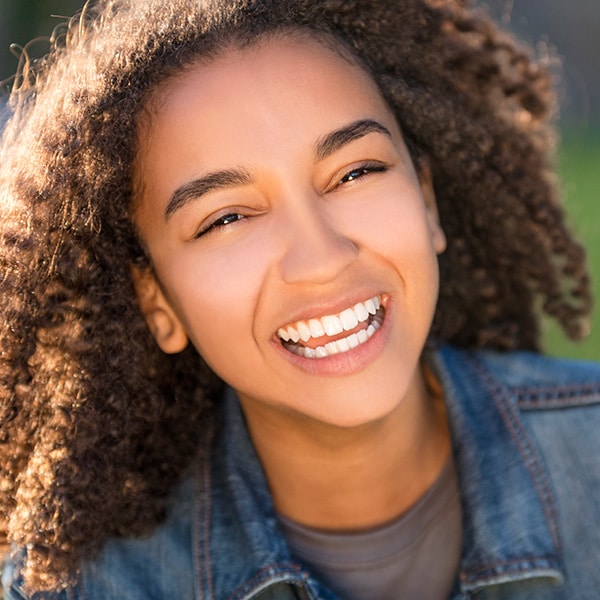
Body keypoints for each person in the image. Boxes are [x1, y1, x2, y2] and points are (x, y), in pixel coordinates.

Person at [1, 0, 599, 598]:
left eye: (355, 172)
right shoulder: (89, 586)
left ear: (427, 201)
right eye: (228, 217)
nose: (322, 258)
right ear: (156, 300)